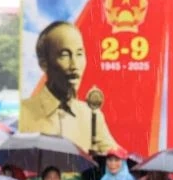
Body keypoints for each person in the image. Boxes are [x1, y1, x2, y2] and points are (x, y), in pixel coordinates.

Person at [19, 20, 118, 155]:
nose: (74, 65)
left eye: (79, 54)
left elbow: (118, 160)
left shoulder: (91, 115)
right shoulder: (23, 114)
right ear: (44, 64)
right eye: (64, 55)